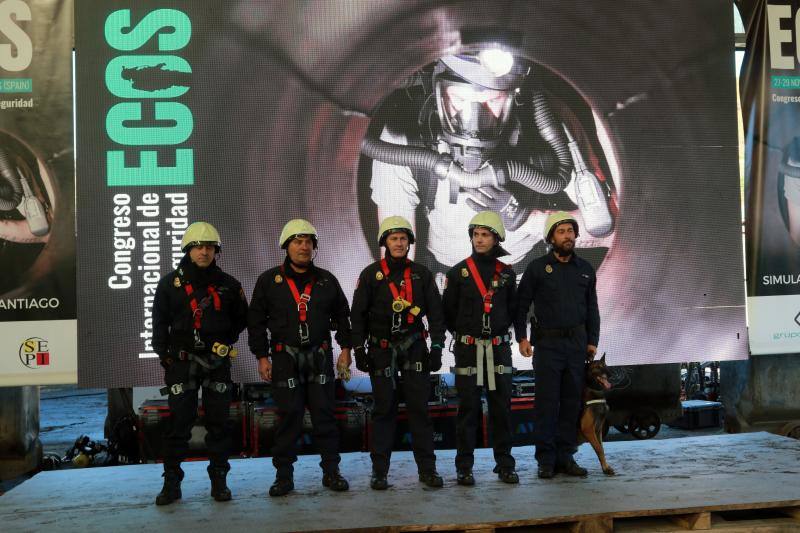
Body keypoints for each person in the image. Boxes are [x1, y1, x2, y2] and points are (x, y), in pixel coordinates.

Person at [361, 51, 614, 279]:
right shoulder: (402, 137)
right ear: (437, 92)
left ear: (514, 94)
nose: (474, 120)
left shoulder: (551, 125)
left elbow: (608, 230)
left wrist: (527, 219)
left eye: (492, 100)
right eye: (459, 99)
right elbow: (396, 248)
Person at [248, 219, 352, 497]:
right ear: (286, 246)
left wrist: (345, 350)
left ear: (314, 247)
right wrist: (262, 357)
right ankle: (283, 477)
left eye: (308, 242)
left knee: (325, 417)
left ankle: (332, 472)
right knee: (289, 418)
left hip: (320, 358)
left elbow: (343, 316)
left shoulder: (327, 280)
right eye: (297, 241)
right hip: (285, 360)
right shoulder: (269, 281)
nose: (303, 247)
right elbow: (256, 322)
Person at [152, 221, 248, 505]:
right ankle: (171, 484)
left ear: (216, 251)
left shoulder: (229, 285)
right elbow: (159, 324)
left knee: (219, 425)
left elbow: (242, 318)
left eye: (209, 247)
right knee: (178, 425)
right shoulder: (169, 284)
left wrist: (224, 341)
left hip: (217, 363)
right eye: (198, 247)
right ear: (188, 250)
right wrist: (166, 357)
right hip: (181, 365)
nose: (204, 252)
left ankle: (219, 482)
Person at [350, 215, 446, 489]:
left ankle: (427, 470)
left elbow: (436, 315)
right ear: (385, 242)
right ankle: (379, 472)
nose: (399, 243)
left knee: (419, 411)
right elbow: (358, 316)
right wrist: (359, 349)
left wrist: (437, 347)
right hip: (381, 350)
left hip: (415, 348)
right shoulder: (370, 275)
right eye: (394, 238)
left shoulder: (422, 274)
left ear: (410, 242)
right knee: (383, 411)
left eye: (403, 238)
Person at [514, 211, 600, 479]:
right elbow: (521, 304)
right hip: (547, 345)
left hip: (576, 345)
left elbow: (592, 308)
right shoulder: (537, 268)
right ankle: (546, 460)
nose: (567, 236)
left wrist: (592, 341)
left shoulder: (585, 269)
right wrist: (522, 337)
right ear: (551, 238)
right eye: (561, 232)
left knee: (572, 404)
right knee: (547, 404)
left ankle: (566, 457)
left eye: (570, 231)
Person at [442, 210, 519, 486]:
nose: (479, 239)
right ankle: (464, 467)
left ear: (496, 239)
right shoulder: (458, 273)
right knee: (468, 410)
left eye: (485, 235)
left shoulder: (507, 274)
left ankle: (505, 465)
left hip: (499, 350)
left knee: (501, 410)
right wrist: (467, 337)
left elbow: (514, 310)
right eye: (475, 234)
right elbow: (447, 313)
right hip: (468, 350)